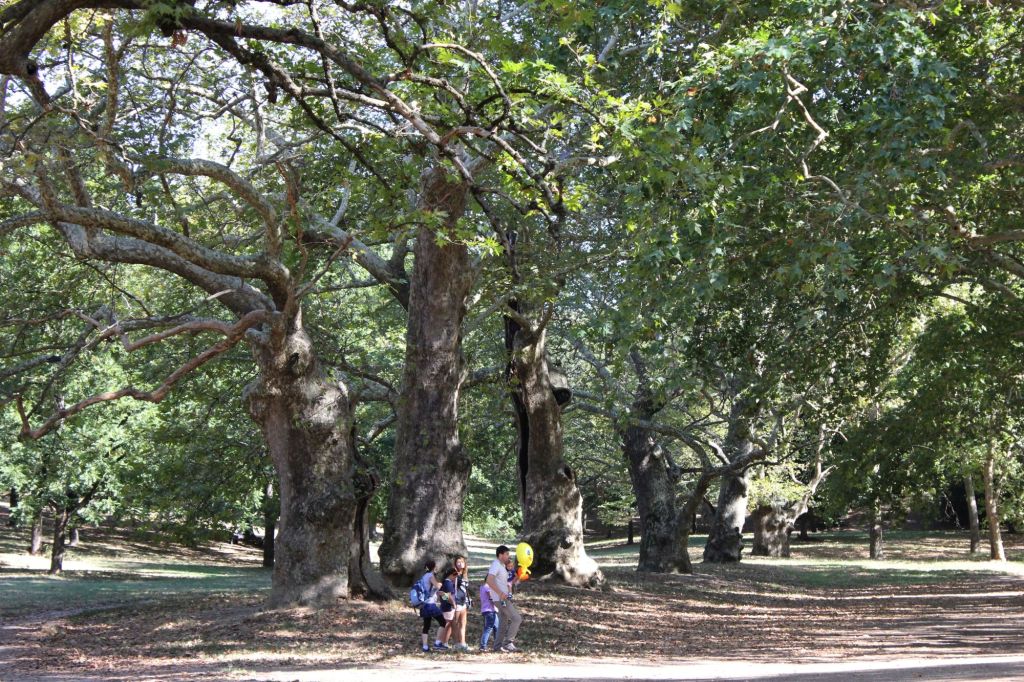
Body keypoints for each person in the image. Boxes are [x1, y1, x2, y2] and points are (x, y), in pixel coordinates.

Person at [485, 544, 523, 652]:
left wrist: (517, 578)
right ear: (500, 555)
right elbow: (489, 580)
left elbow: (506, 582)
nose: (508, 556)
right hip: (501, 600)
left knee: (503, 621)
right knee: (516, 618)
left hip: (501, 598)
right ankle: (508, 643)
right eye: (506, 554)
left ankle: (497, 647)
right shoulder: (496, 564)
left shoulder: (501, 566)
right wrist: (500, 593)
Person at [416, 559, 449, 652]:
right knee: (443, 622)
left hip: (423, 604)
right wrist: (441, 583)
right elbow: (438, 586)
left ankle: (425, 646)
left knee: (426, 625)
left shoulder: (423, 576)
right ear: (433, 567)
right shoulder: (430, 576)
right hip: (430, 604)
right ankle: (437, 642)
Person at [451, 555, 472, 651]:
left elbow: (465, 589)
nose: (460, 564)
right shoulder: (454, 574)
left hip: (464, 602)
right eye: (458, 562)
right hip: (456, 602)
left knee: (463, 624)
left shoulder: (464, 575)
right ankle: (456, 643)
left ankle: (463, 643)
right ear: (455, 563)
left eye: (462, 562)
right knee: (455, 623)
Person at [478, 580, 499, 651]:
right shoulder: (488, 587)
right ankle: (483, 646)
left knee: (496, 627)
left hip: (487, 610)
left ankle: (497, 645)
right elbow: (491, 598)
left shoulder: (482, 587)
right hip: (490, 610)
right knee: (489, 628)